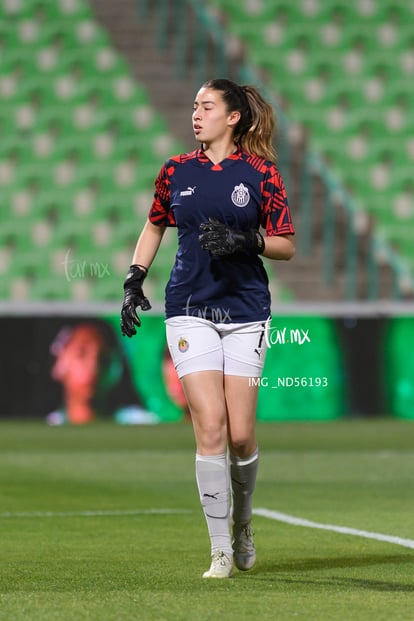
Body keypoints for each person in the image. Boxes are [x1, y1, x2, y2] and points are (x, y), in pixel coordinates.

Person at [120, 78, 295, 578]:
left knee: (241, 434)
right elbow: (155, 224)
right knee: (210, 427)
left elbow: (286, 244)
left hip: (245, 313)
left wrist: (247, 241)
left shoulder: (262, 174)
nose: (196, 114)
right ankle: (220, 549)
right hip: (189, 309)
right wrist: (134, 280)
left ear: (233, 116)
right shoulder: (175, 170)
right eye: (194, 105)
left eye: (207, 106)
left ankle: (242, 522)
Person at [47, 320, 158, 425]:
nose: (94, 367)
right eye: (81, 354)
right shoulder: (49, 425)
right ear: (58, 363)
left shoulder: (140, 422)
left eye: (103, 358)